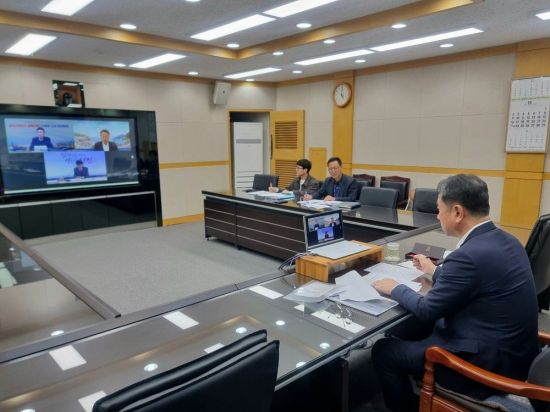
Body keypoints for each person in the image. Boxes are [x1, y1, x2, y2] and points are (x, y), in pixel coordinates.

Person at [371, 174, 539, 412]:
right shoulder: (508, 240)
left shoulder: (467, 256)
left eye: (439, 209)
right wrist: (434, 270)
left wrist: (394, 287)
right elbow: (475, 280)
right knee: (410, 327)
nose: (437, 216)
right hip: (515, 356)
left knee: (383, 351)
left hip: (483, 368)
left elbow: (427, 309)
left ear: (458, 212)